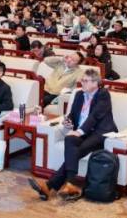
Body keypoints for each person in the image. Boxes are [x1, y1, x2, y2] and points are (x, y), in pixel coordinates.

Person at [27, 69, 116, 201]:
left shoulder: (103, 95)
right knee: (69, 139)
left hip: (101, 133)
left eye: (85, 81)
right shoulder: (79, 94)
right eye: (82, 80)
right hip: (84, 133)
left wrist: (79, 132)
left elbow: (95, 116)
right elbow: (73, 114)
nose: (82, 83)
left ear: (95, 83)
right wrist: (68, 121)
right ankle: (69, 184)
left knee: (76, 150)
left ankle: (51, 185)